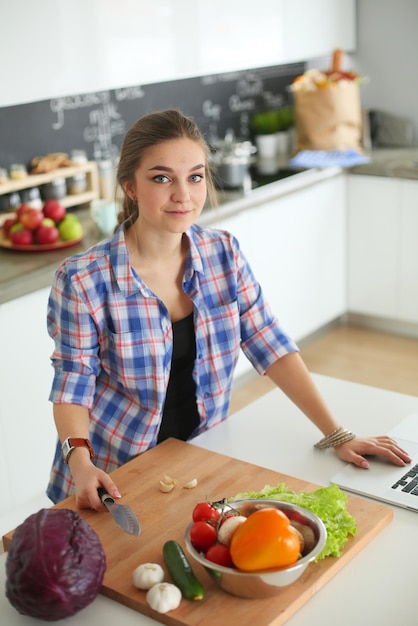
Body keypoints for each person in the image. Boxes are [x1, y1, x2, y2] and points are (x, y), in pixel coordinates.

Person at [46, 109, 410, 510]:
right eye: (162, 178)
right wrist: (79, 461)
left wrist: (337, 434)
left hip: (200, 459)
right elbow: (74, 381)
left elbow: (268, 342)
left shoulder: (223, 253)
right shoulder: (83, 280)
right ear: (130, 186)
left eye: (195, 176)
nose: (183, 194)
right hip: (111, 473)